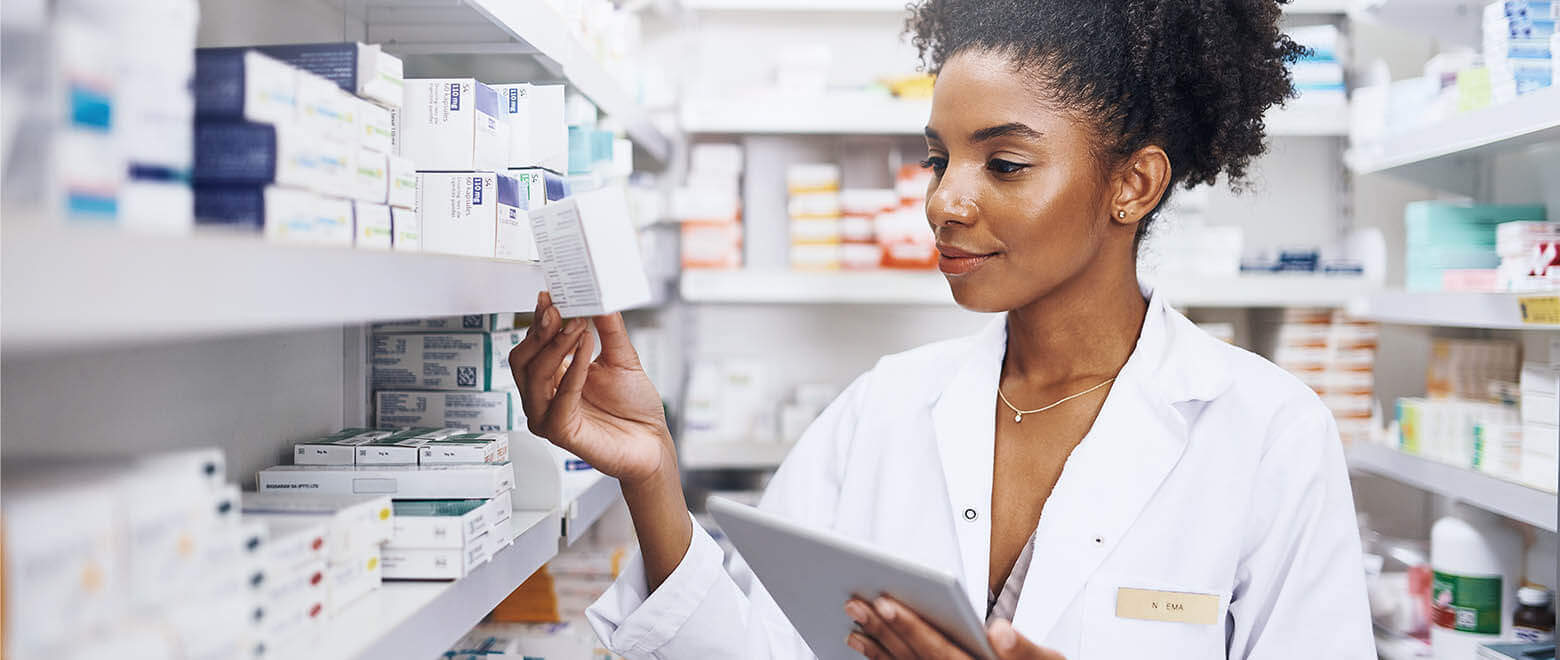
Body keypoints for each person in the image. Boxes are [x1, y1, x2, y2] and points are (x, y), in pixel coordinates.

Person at [507, 0, 1374, 657]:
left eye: (1003, 163)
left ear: (1135, 184)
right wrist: (652, 474)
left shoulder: (1267, 433)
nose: (943, 201)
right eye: (939, 158)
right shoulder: (882, 410)